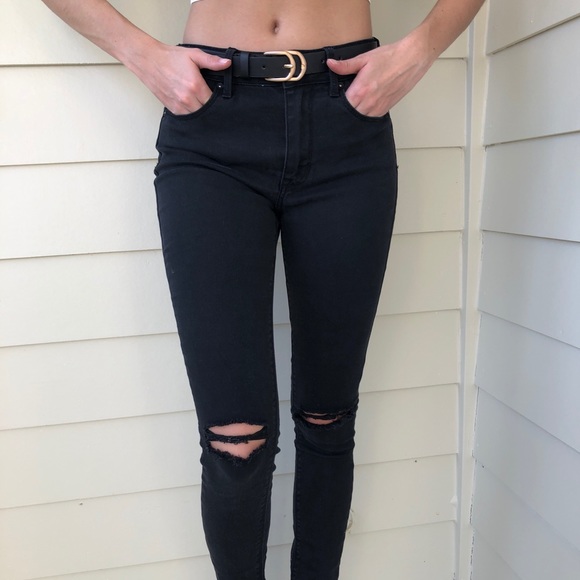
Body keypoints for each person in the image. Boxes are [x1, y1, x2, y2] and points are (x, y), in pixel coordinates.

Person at [41, 1, 485, 578]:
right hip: (212, 125)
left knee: (328, 419)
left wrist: (421, 48)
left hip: (346, 120)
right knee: (235, 440)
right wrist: (139, 51)